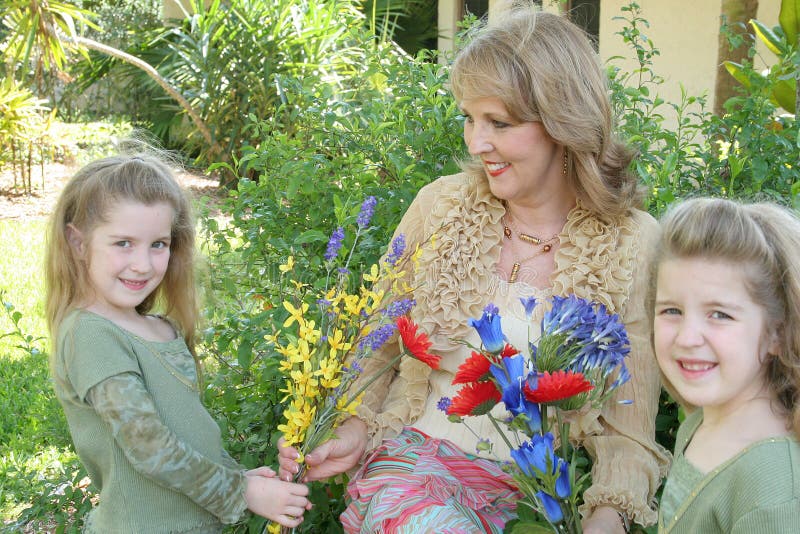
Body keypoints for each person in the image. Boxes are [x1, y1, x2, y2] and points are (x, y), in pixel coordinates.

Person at [278, 6, 669, 533]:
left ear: (564, 122)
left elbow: (629, 424)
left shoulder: (634, 243)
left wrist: (607, 517)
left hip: (533, 498)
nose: (476, 142)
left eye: (499, 123)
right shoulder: (439, 207)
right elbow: (375, 347)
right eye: (469, 117)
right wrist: (348, 429)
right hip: (414, 475)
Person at [45, 151, 310, 533]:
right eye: (123, 243)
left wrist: (240, 477)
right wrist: (241, 492)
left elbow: (188, 429)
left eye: (158, 244)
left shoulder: (161, 328)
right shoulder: (90, 333)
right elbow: (149, 445)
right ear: (78, 242)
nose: (143, 263)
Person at [653, 198, 800, 533]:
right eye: (671, 310)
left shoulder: (774, 490)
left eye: (720, 314)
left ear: (777, 333)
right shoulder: (699, 425)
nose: (688, 337)